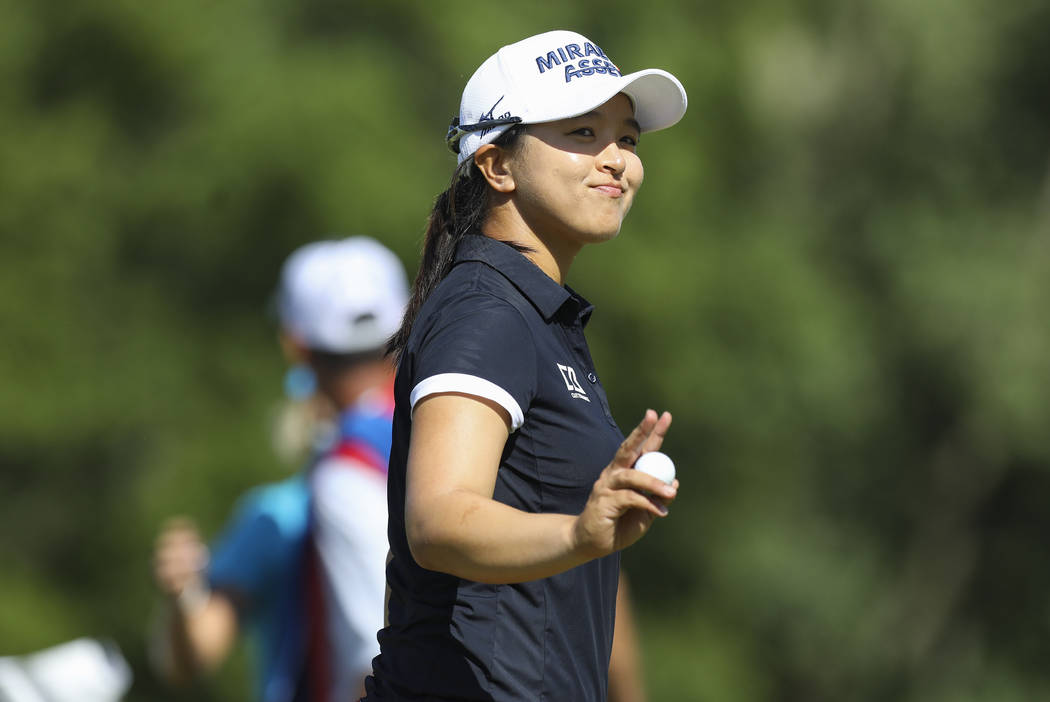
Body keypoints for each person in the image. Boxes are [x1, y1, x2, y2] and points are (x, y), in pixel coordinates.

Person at [363, 29, 686, 702]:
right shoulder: (487, 310)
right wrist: (577, 531)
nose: (616, 161)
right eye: (582, 132)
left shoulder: (532, 312)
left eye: (626, 139)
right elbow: (440, 521)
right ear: (497, 166)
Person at [151, 236, 409, 702]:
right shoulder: (466, 450)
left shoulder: (282, 511)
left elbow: (190, 658)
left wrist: (182, 596)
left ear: (294, 345)